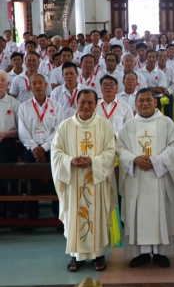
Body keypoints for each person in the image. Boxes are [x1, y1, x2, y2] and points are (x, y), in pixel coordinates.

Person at [117, 88, 174, 268]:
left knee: (161, 211)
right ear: (135, 103)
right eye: (141, 101)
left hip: (159, 176)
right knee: (137, 212)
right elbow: (120, 149)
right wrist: (134, 159)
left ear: (155, 102)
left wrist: (156, 161)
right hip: (136, 176)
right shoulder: (129, 125)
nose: (145, 103)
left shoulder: (166, 123)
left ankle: (161, 252)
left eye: (149, 100)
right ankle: (142, 253)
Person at [51, 89, 117, 272]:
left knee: (98, 215)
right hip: (74, 182)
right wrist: (69, 161)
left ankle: (98, 256)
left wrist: (93, 162)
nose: (86, 106)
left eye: (90, 102)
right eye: (82, 102)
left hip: (96, 182)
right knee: (75, 215)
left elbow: (110, 152)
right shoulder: (65, 126)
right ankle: (76, 256)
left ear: (96, 104)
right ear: (76, 103)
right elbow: (56, 152)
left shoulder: (104, 126)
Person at [19, 73, 63, 219]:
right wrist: (35, 148)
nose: (37, 86)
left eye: (40, 83)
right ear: (30, 87)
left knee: (55, 183)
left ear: (46, 85)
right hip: (30, 150)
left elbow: (58, 130)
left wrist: (44, 148)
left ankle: (58, 217)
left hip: (52, 150)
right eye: (34, 83)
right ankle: (31, 217)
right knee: (31, 185)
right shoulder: (23, 107)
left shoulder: (56, 106)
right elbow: (22, 131)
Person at [0, 69, 20, 218]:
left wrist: (6, 134)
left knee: (11, 179)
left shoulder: (14, 103)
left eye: (2, 80)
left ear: (7, 83)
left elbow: (21, 129)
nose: (0, 83)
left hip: (9, 144)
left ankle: (12, 213)